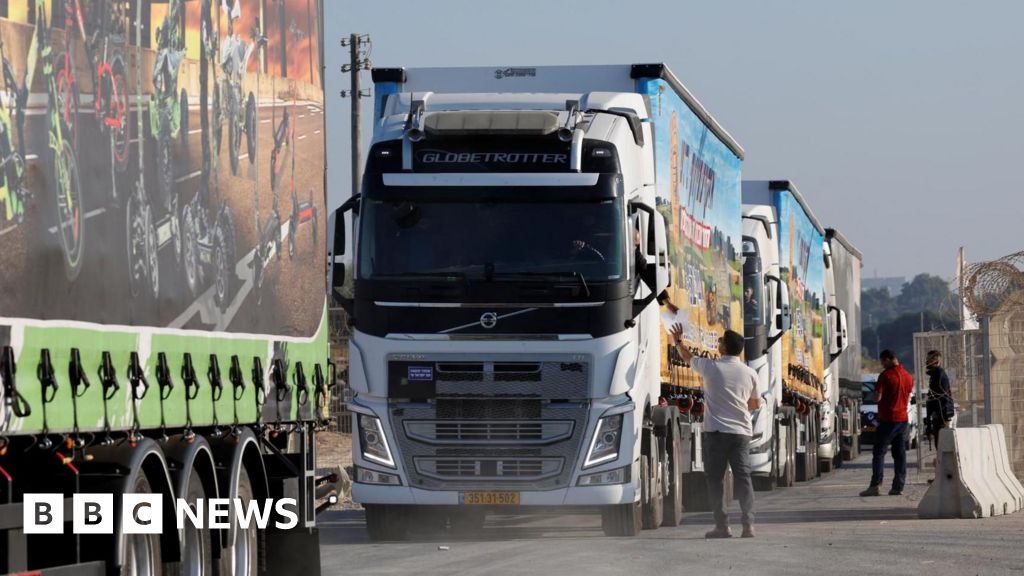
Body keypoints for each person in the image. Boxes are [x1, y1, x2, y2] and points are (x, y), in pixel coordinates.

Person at [669, 325, 760, 538]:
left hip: (716, 433)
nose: (717, 343)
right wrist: (737, 406)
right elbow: (755, 403)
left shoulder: (711, 368)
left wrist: (678, 341)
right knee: (744, 478)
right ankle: (748, 525)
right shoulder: (750, 373)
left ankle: (722, 526)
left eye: (719, 341)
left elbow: (687, 357)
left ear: (725, 347)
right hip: (741, 433)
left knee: (716, 480)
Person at [860, 349, 914, 497]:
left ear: (888, 359)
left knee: (879, 453)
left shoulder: (886, 376)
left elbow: (877, 397)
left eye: (883, 361)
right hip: (903, 419)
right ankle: (898, 486)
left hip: (888, 419)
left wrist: (873, 395)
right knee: (900, 454)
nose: (882, 365)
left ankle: (875, 485)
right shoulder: (908, 376)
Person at [925, 350, 954, 447]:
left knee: (942, 445)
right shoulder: (934, 375)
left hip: (942, 416)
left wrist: (941, 416)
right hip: (938, 415)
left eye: (929, 360)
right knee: (938, 444)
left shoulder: (940, 375)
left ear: (936, 361)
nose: (927, 362)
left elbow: (944, 398)